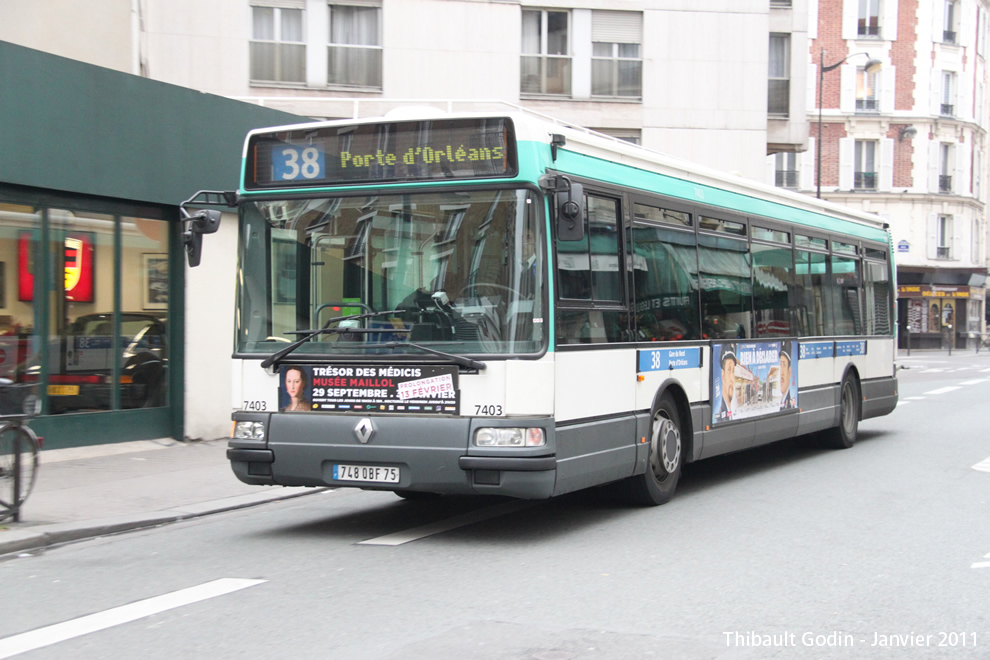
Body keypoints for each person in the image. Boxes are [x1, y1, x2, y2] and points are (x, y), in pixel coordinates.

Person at [713, 345, 737, 422]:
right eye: (729, 370)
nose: (732, 379)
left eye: (733, 371)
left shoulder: (729, 411)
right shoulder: (720, 416)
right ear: (723, 375)